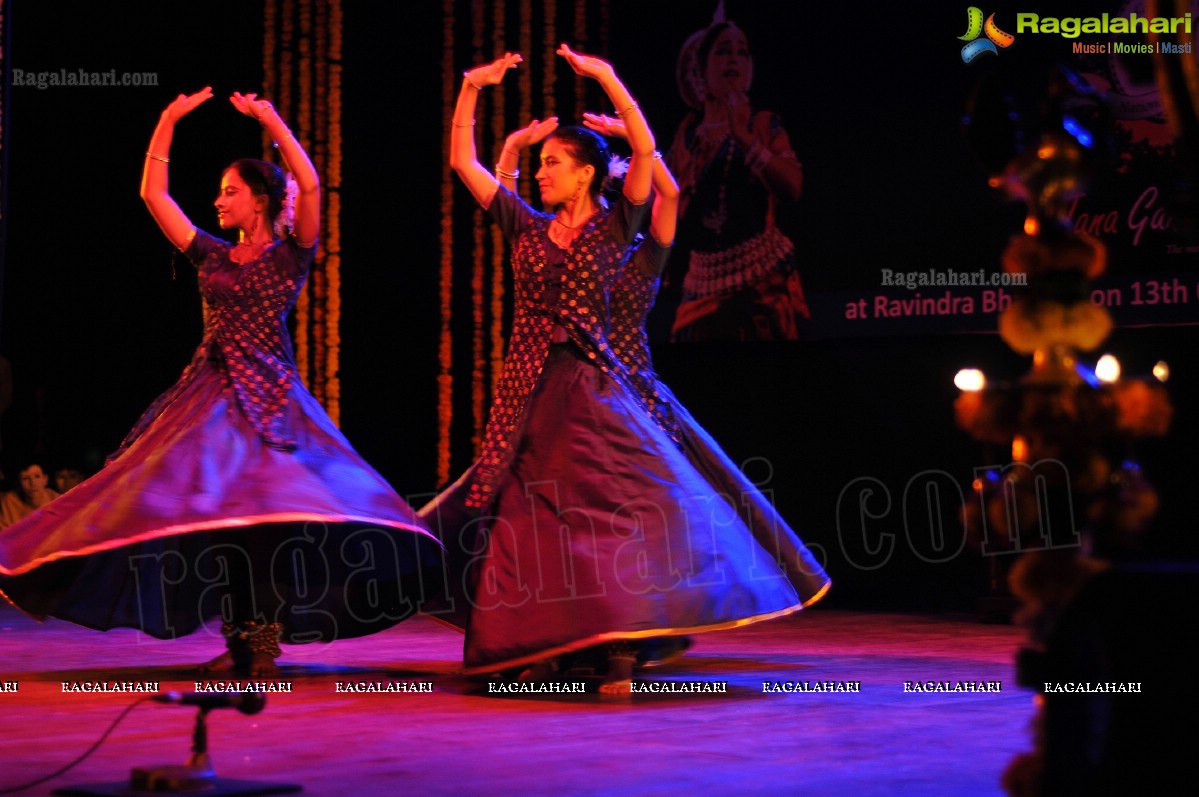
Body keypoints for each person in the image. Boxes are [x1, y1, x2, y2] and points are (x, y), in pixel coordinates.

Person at [0, 88, 440, 677]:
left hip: (272, 402)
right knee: (220, 518)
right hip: (207, 397)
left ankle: (262, 643)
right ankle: (242, 641)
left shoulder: (291, 255)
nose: (216, 201)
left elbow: (309, 186)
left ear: (260, 201)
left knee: (263, 521)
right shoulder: (210, 255)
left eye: (230, 191)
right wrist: (168, 119)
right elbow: (152, 194)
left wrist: (272, 118)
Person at [423, 46, 820, 695]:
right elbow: (463, 162)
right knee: (532, 523)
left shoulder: (616, 231)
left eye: (552, 162)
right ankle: (548, 641)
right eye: (539, 162)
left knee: (614, 518)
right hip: (528, 390)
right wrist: (471, 86)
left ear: (586, 175)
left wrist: (606, 77)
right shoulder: (523, 226)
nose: (539, 171)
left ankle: (620, 650)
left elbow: (647, 161)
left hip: (597, 387)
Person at [668, 15, 809, 341]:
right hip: (700, 292)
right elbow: (674, 214)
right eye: (722, 51)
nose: (734, 58)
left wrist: (744, 138)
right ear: (700, 69)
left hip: (763, 288)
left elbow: (793, 188)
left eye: (742, 52)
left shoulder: (763, 124)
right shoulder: (687, 134)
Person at [0, 462, 59, 529]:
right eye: (25, 478)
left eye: (37, 476)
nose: (33, 483)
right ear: (19, 483)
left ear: (45, 479)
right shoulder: (10, 501)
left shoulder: (56, 499)